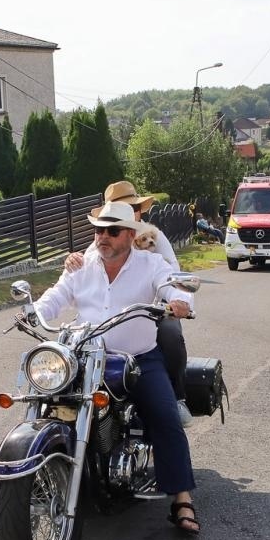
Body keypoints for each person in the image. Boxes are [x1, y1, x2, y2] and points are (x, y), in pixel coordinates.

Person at [32, 200, 201, 535]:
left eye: (112, 230)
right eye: (98, 229)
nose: (102, 236)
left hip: (137, 357)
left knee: (165, 418)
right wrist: (34, 311)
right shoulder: (81, 263)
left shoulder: (150, 263)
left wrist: (181, 302)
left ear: (129, 235)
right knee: (47, 399)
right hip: (84, 355)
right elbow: (56, 296)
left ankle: (181, 497)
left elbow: (173, 285)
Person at [63, 181, 192, 425]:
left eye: (133, 206)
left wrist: (176, 300)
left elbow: (173, 273)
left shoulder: (155, 235)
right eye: (122, 206)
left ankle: (176, 396)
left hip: (152, 307)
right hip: (110, 312)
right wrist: (72, 260)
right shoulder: (106, 234)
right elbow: (89, 262)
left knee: (171, 334)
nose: (130, 211)